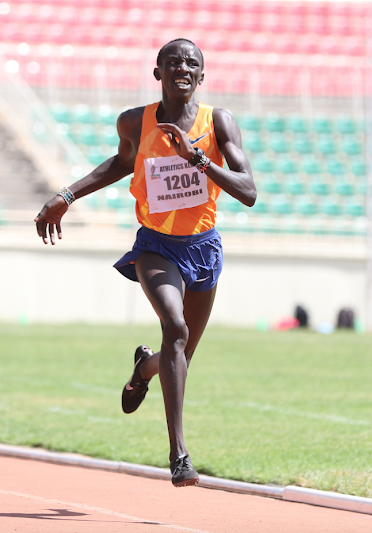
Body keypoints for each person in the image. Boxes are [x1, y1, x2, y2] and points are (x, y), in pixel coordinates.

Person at [34, 39, 256, 487]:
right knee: (175, 328)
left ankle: (143, 368)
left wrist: (195, 158)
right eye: (173, 62)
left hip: (203, 247)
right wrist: (66, 196)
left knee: (181, 355)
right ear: (158, 73)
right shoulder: (135, 120)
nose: (183, 67)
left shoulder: (220, 122)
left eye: (192, 63)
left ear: (201, 76)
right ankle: (179, 456)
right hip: (155, 246)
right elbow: (120, 163)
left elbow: (248, 191)